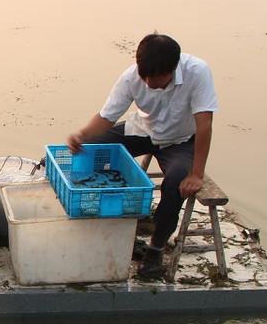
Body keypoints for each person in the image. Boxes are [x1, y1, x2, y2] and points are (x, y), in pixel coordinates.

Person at [67, 33, 217, 279]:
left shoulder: (198, 72)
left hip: (180, 141)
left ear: (173, 68)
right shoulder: (130, 78)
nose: (148, 82)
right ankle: (107, 223)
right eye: (144, 75)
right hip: (143, 130)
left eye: (156, 77)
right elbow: (107, 117)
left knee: (177, 182)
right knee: (93, 147)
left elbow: (204, 125)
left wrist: (197, 174)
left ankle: (155, 249)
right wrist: (82, 136)